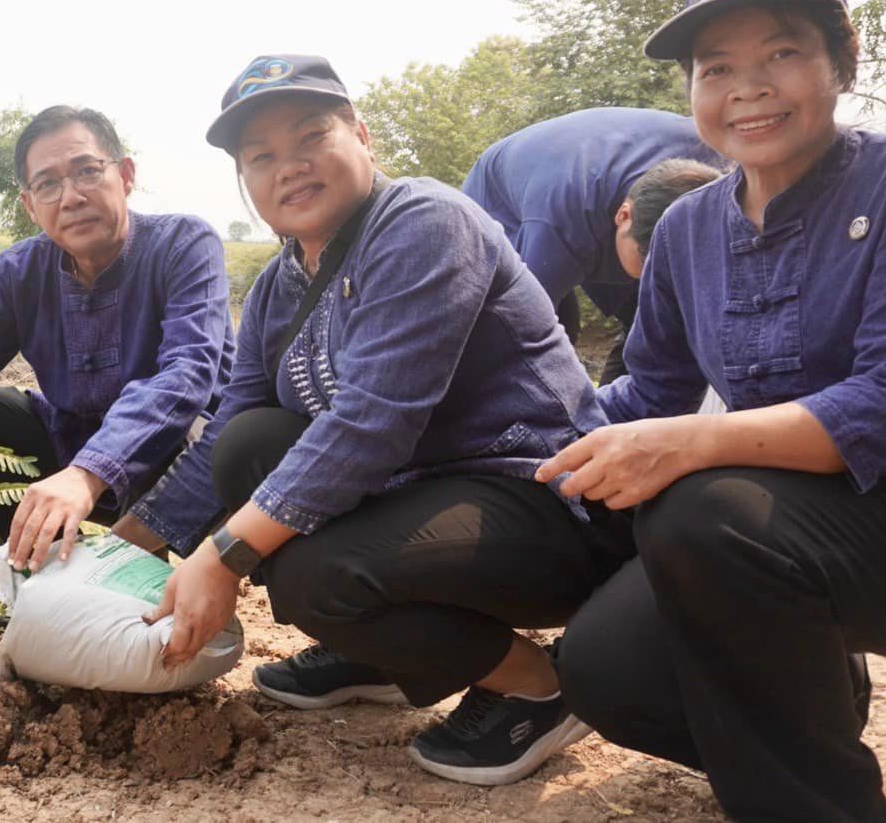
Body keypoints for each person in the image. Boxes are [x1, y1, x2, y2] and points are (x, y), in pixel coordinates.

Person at [107, 54, 633, 786]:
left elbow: (368, 425)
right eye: (261, 156)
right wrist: (121, 549)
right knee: (247, 443)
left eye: (309, 137)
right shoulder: (276, 287)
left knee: (315, 578)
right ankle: (381, 653)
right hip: (416, 503)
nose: (288, 166)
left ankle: (537, 686)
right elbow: (230, 426)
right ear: (245, 181)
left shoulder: (425, 222)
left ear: (361, 134)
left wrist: (223, 554)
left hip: (539, 501)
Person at [544, 0, 886, 822]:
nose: (746, 88)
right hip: (782, 537)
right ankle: (810, 700)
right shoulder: (686, 231)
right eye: (716, 69)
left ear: (842, 61)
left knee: (700, 508)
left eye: (780, 53)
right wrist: (526, 438)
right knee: (610, 670)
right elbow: (648, 391)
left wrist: (695, 443)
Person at [0, 104, 234, 601]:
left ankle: (139, 596)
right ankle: (49, 588)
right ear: (30, 206)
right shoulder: (19, 273)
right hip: (69, 450)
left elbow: (186, 377)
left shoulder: (184, 244)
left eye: (87, 171)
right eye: (48, 184)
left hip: (193, 464)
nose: (71, 197)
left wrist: (89, 472)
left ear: (125, 175)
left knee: (172, 428)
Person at [461, 109, 723, 381]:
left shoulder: (731, 167)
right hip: (504, 203)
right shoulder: (561, 220)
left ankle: (623, 414)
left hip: (609, 177)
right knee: (548, 324)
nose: (660, 281)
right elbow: (519, 327)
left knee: (661, 327)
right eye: (649, 265)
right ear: (624, 216)